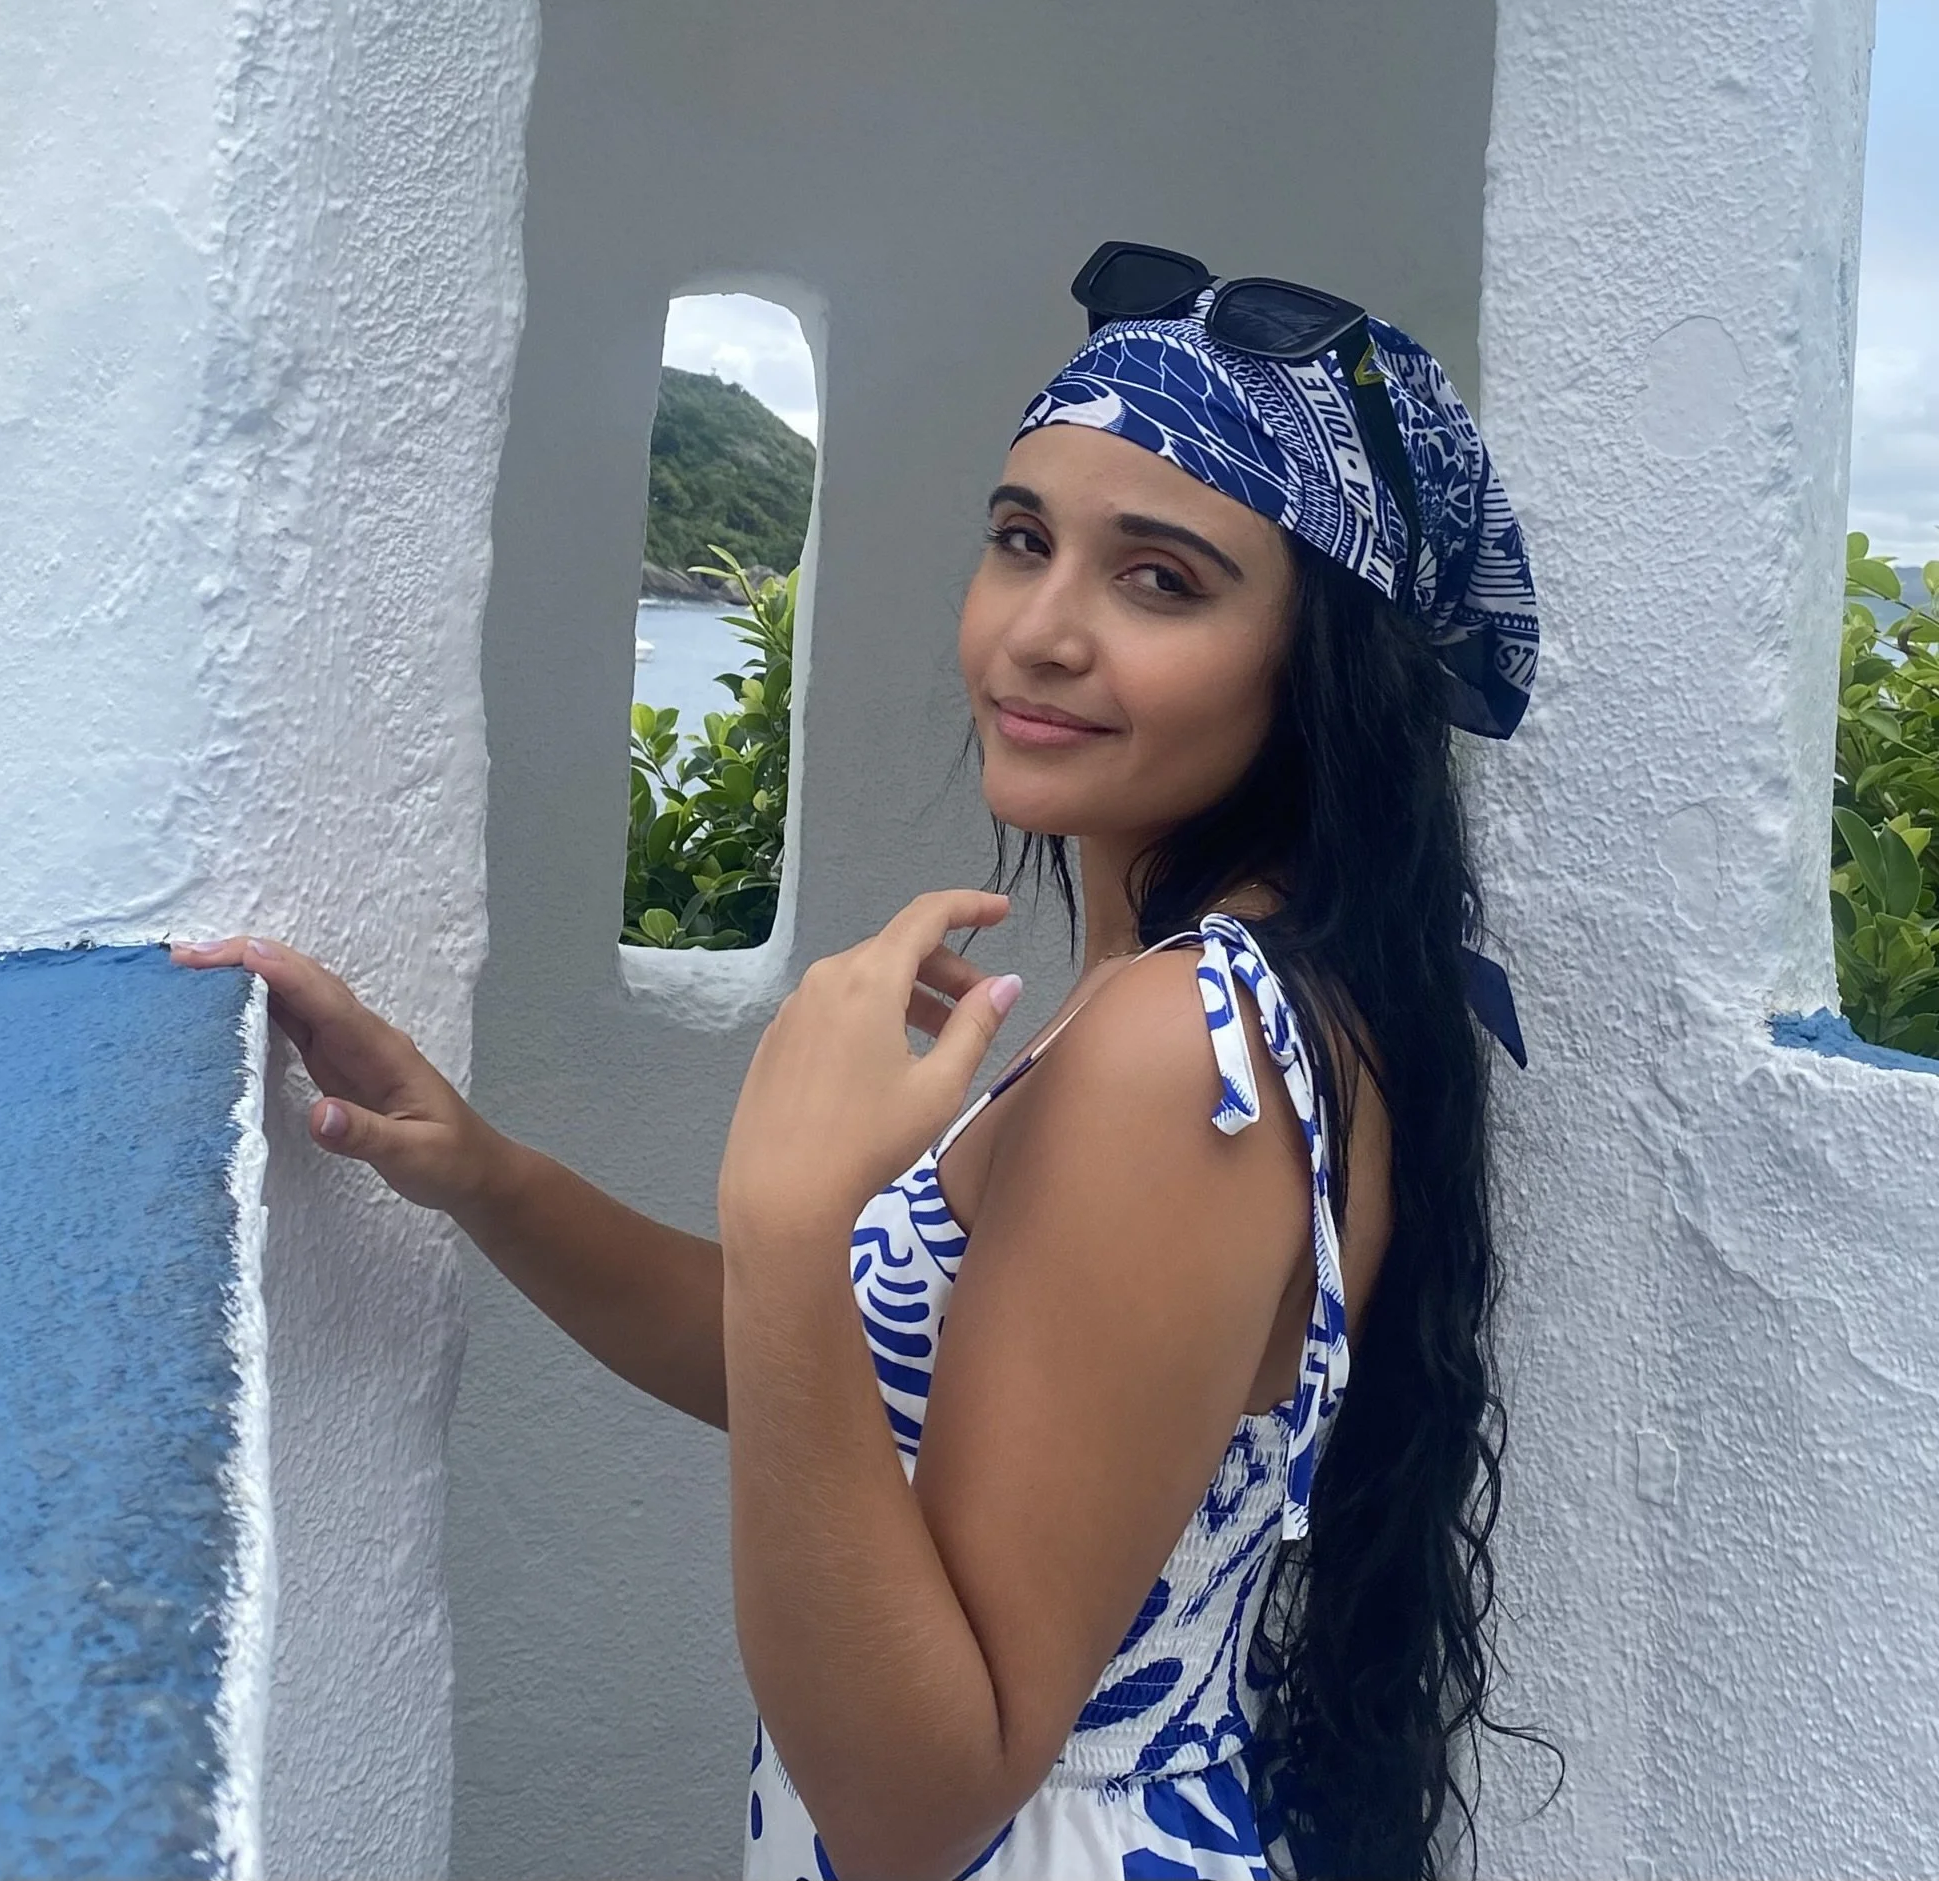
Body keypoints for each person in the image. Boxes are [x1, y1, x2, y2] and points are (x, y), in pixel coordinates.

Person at [177, 242, 1542, 1881]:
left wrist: (786, 1212)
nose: (1038, 632)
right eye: (1021, 540)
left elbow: (912, 1803)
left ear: (1315, 669)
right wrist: (485, 1171)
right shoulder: (1241, 999)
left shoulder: (1181, 1050)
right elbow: (855, 1384)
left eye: (1160, 579)